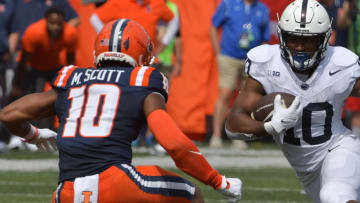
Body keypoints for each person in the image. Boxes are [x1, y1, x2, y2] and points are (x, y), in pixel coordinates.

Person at [0, 19, 242, 203]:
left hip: (67, 192)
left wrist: (35, 134)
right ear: (141, 53)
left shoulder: (72, 78)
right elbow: (174, 144)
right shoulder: (141, 79)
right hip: (115, 182)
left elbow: (9, 115)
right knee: (191, 194)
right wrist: (217, 181)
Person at [225, 0, 360, 202]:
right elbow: (232, 126)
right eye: (292, 38)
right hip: (306, 169)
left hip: (338, 147)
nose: (299, 46)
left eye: (308, 40)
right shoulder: (267, 64)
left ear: (323, 39)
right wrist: (270, 127)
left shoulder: (340, 63)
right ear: (281, 36)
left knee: (335, 195)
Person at [209, 0, 270, 148]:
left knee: (247, 98)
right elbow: (213, 27)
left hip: (251, 60)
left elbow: (264, 39)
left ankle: (238, 136)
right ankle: (216, 136)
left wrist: (260, 60)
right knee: (225, 94)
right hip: (228, 57)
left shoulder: (263, 9)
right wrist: (218, 53)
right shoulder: (228, 4)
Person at [10, 6, 78, 100]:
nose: (55, 27)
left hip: (53, 66)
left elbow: (70, 62)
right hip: (32, 66)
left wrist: (71, 83)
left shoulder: (70, 33)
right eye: (51, 23)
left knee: (63, 92)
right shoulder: (34, 32)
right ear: (46, 21)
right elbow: (23, 61)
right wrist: (18, 85)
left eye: (58, 24)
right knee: (29, 95)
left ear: (63, 22)